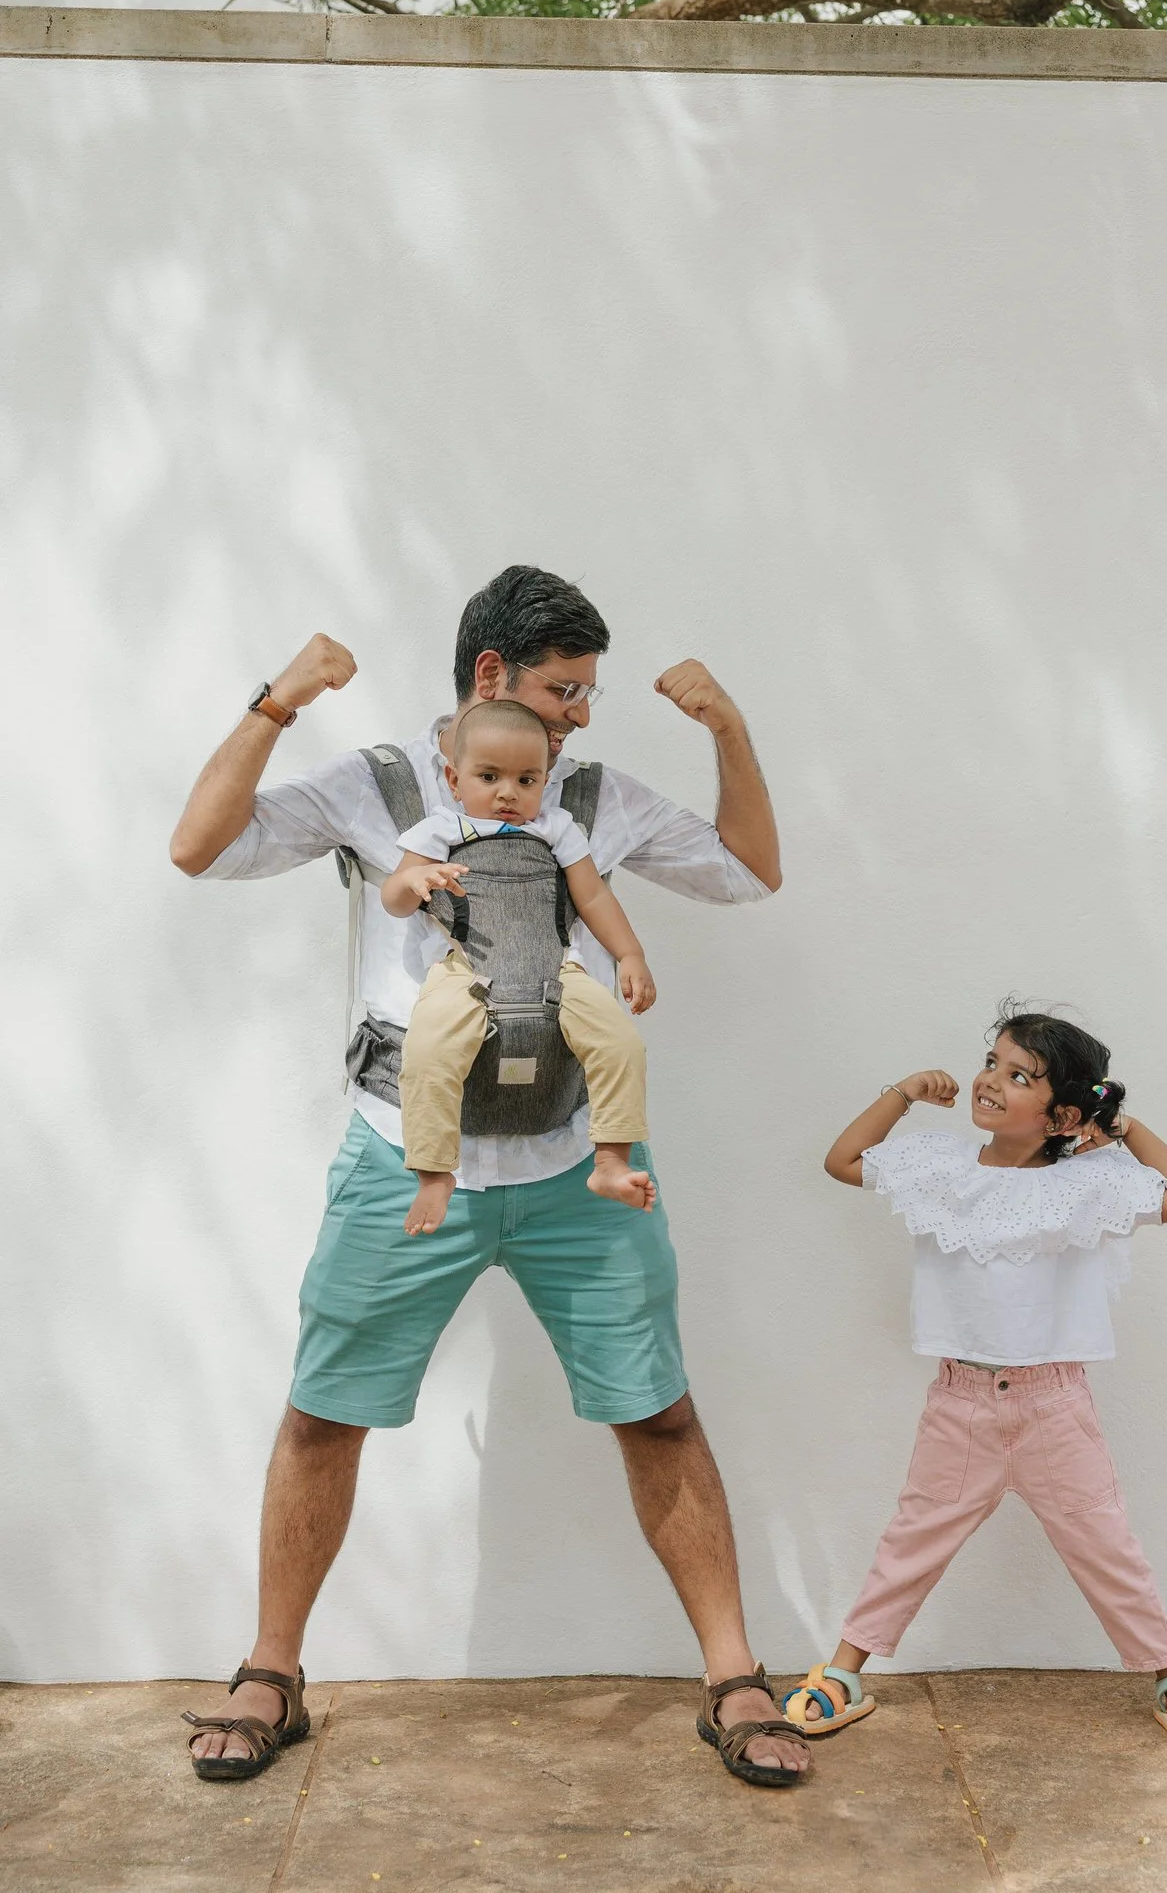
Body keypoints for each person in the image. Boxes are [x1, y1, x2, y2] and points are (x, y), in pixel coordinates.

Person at [171, 565, 811, 1788]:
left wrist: (730, 727)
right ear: (489, 676)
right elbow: (201, 846)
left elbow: (745, 868)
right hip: (402, 1157)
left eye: (585, 696)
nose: (579, 716)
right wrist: (278, 701)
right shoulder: (380, 788)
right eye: (567, 690)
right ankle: (270, 1668)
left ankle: (734, 1673)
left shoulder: (587, 798)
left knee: (659, 1408)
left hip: (578, 1161)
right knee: (323, 1410)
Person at [782, 1005, 1167, 1753]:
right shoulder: (940, 1168)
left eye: (1016, 1075)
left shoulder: (1086, 1183)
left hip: (1053, 1405)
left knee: (1102, 1541)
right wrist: (898, 1092)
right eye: (990, 1062)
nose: (989, 1081)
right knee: (914, 1535)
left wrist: (1118, 1127)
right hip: (959, 1402)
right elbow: (843, 1160)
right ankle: (844, 1671)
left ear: (1058, 1115)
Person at [383, 697, 657, 1227]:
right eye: (489, 776)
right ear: (454, 778)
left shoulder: (556, 830)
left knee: (620, 1044)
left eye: (527, 780)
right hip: (464, 972)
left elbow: (594, 899)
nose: (508, 793)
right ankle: (435, 1174)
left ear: (545, 780)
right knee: (428, 1050)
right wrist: (413, 882)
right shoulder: (438, 830)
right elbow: (393, 897)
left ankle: (610, 1160)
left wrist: (630, 953)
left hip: (556, 971)